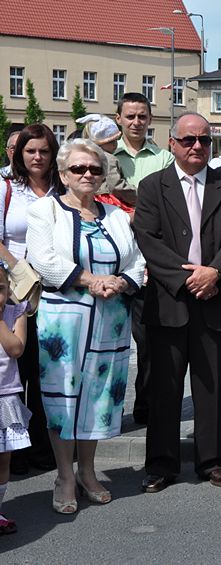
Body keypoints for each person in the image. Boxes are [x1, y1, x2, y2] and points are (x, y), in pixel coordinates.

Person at [134, 112, 221, 493]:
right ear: (173, 144)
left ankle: (213, 461)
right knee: (165, 390)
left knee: (212, 387)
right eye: (188, 140)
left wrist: (215, 273)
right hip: (170, 301)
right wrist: (189, 279)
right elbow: (148, 241)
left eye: (204, 139)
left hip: (216, 300)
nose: (197, 146)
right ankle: (162, 465)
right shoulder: (152, 186)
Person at [26, 138, 145, 512]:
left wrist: (122, 282)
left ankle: (88, 471)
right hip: (63, 317)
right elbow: (42, 259)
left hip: (111, 318)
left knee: (100, 394)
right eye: (78, 168)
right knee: (63, 393)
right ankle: (64, 474)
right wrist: (91, 280)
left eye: (95, 168)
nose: (88, 174)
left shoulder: (115, 215)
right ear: (63, 174)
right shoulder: (46, 210)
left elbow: (137, 260)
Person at [113, 92, 175, 426]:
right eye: (130, 116)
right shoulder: (105, 155)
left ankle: (146, 403)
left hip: (148, 260)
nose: (136, 122)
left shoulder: (164, 158)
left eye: (142, 116)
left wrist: (133, 207)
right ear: (119, 118)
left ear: (150, 119)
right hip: (110, 259)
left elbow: (165, 203)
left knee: (147, 339)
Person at [2, 125, 60, 475]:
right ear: (20, 154)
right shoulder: (7, 187)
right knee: (14, 372)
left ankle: (41, 447)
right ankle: (14, 450)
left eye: (44, 151)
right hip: (13, 292)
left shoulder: (61, 188)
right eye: (30, 151)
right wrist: (20, 270)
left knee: (44, 373)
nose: (37, 157)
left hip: (54, 293)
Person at [0, 265, 29, 534]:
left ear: (8, 289)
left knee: (3, 460)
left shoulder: (15, 314)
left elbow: (16, 348)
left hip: (6, 398)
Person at [77, 114, 136, 213]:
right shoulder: (108, 159)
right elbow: (115, 186)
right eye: (112, 141)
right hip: (107, 201)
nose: (115, 145)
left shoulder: (86, 156)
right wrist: (136, 194)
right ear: (102, 142)